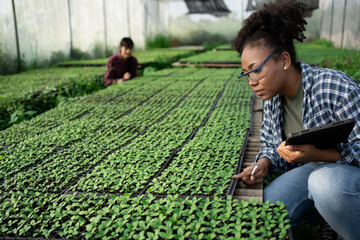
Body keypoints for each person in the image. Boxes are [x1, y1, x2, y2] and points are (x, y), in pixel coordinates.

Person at [231, 1, 360, 239]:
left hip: (347, 175)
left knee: (326, 183)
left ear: (285, 60)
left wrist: (317, 154)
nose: (252, 81)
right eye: (247, 74)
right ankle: (331, 215)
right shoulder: (273, 99)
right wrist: (265, 163)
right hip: (314, 171)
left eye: (257, 69)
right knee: (266, 211)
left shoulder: (334, 87)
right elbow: (272, 145)